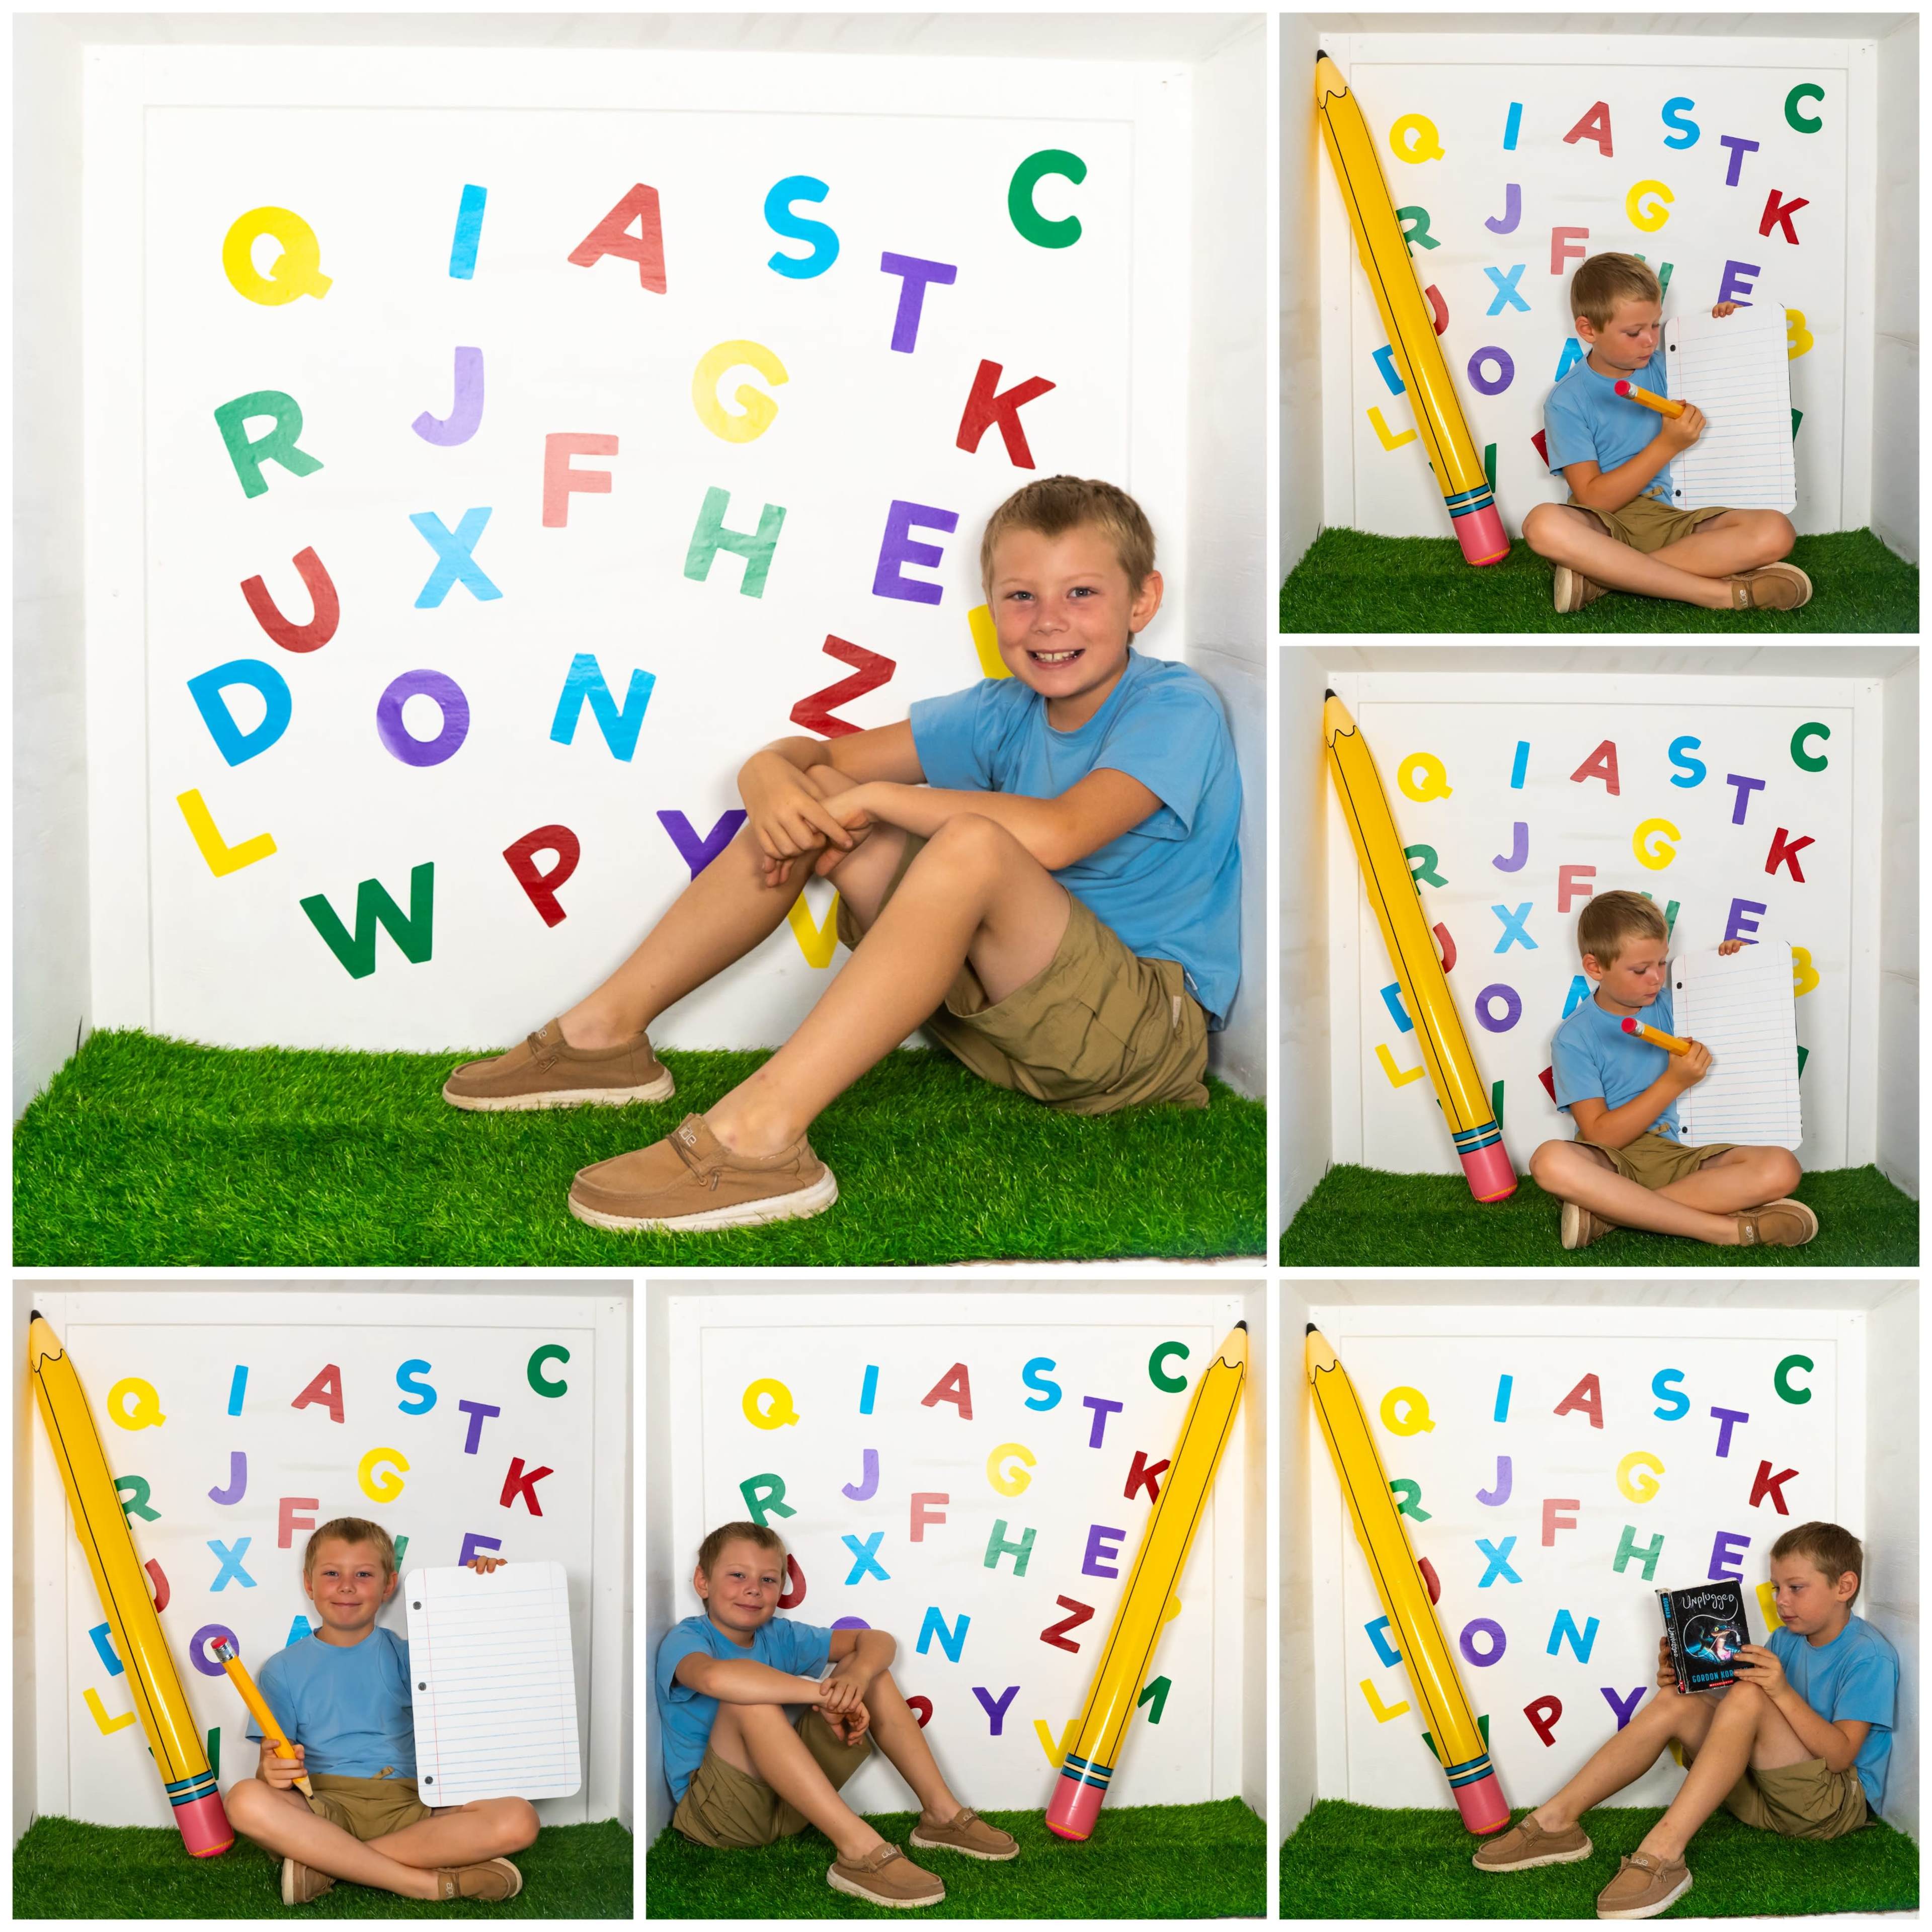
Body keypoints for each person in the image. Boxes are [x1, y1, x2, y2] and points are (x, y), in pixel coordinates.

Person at [443, 474, 1242, 1233]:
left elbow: (1064, 829)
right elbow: (815, 756)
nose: (1048, 621)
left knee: (966, 844)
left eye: (1083, 594)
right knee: (815, 795)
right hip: (1006, 1034)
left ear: (1143, 601)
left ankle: (762, 1137)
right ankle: (603, 1039)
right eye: (1020, 596)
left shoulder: (1176, 706)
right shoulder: (1002, 710)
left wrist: (881, 799)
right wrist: (766, 776)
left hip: (1136, 1046)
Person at [1474, 1522, 1896, 1921]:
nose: (1781, 1601)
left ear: (1844, 1586)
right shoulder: (1787, 1639)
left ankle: (1664, 1853)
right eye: (1776, 1588)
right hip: (1770, 1799)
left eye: (1796, 1588)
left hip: (1830, 1808)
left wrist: (1779, 1691)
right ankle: (1555, 1823)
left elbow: (1840, 1756)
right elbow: (1748, 1721)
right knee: (1679, 1698)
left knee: (1752, 1693)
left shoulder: (1868, 1655)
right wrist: (1687, 1676)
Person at [655, 1522, 1016, 1908]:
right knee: (749, 1701)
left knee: (871, 1674)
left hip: (791, 1804)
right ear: (703, 1582)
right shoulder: (689, 1638)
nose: (753, 1588)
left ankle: (942, 1816)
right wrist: (824, 1695)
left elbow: (877, 1640)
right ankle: (859, 1851)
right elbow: (715, 1677)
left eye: (769, 1579)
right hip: (720, 1818)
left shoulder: (780, 1635)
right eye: (737, 1575)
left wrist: (855, 1679)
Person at [222, 1518, 538, 1905]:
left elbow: (489, 1667)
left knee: (520, 1818)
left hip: (414, 1805)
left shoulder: (416, 1656)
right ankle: (423, 1884)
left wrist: (489, 1594)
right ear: (309, 1583)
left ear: (389, 1585)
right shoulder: (281, 1669)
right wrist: (271, 1772)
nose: (347, 1586)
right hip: (320, 1805)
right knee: (244, 1799)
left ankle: (325, 1864)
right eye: (332, 1573)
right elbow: (268, 1770)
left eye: (364, 1574)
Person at [1521, 252, 1811, 614]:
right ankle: (1716, 594)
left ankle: (1602, 580)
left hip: (1677, 517)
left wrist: (1728, 331)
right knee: (1542, 524)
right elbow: (1594, 500)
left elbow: (1731, 383)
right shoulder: (1565, 401)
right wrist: (1666, 445)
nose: (1649, 341)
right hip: (1605, 528)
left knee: (1777, 531)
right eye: (1633, 332)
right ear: (1588, 330)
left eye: (1655, 326)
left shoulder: (1674, 364)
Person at [1527, 891, 1815, 1250]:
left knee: (1783, 1168)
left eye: (1662, 963)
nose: (1655, 978)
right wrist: (1673, 1083)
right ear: (1595, 967)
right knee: (1549, 1160)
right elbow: (1601, 1137)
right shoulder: (1573, 1038)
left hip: (1685, 1153)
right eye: (1640, 969)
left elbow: (1739, 1021)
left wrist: (1733, 969)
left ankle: (1608, 1217)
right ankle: (1724, 1230)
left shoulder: (1682, 1001)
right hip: (1613, 1164)